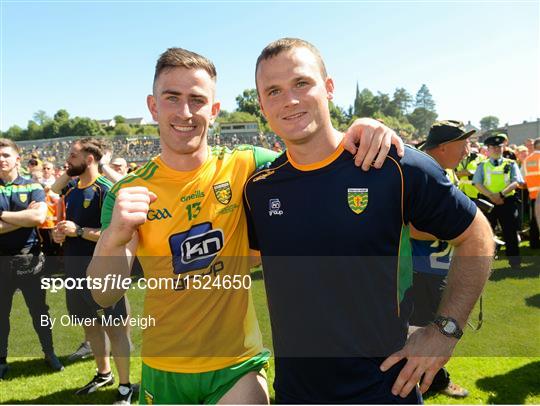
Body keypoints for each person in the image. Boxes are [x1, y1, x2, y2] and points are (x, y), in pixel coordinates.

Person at [87, 47, 403, 404]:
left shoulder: (251, 165)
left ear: (214, 110)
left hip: (237, 366)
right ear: (153, 106)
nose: (185, 112)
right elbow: (105, 293)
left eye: (197, 99)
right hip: (165, 367)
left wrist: (361, 129)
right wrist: (114, 238)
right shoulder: (128, 192)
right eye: (172, 98)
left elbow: (317, 152)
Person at [244, 38, 493, 404]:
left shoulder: (394, 165)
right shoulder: (258, 188)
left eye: (301, 83)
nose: (290, 100)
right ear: (262, 104)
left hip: (385, 391)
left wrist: (445, 330)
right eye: (274, 91)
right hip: (296, 395)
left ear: (328, 88)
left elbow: (478, 236)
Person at [51, 138, 134, 403]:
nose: (67, 159)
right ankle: (103, 373)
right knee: (90, 326)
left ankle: (125, 387)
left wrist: (80, 231)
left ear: (89, 159)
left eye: (73, 155)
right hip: (75, 272)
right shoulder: (73, 189)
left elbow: (119, 234)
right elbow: (54, 194)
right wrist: (61, 235)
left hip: (104, 271)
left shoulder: (106, 189)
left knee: (116, 329)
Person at [410, 120, 475, 398]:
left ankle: (430, 381)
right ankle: (423, 384)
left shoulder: (444, 173)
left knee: (434, 329)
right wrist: (459, 232)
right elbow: (409, 224)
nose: (468, 150)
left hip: (436, 267)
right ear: (445, 146)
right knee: (425, 331)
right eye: (464, 143)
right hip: (419, 270)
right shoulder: (421, 172)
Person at [0, 138, 63, 379]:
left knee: (40, 311)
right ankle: (2, 359)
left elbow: (38, 217)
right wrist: (21, 217)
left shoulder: (32, 185)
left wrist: (4, 215)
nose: (1, 159)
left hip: (31, 260)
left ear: (17, 159)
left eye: (6, 155)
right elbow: (30, 216)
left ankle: (50, 353)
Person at [473, 134, 523, 270]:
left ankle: (515, 263)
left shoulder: (511, 163)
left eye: (499, 147)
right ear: (488, 149)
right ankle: (484, 264)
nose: (496, 149)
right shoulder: (482, 165)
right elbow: (477, 183)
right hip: (488, 203)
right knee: (486, 233)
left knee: (510, 233)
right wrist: (491, 196)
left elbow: (516, 182)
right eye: (493, 147)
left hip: (507, 201)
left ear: (503, 148)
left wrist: (501, 195)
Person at [522, 138, 540, 248]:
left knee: (534, 220)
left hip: (533, 195)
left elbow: (522, 180)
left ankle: (534, 243)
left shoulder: (527, 160)